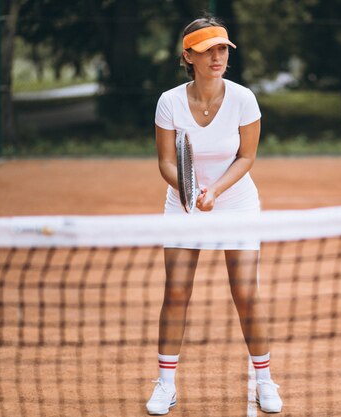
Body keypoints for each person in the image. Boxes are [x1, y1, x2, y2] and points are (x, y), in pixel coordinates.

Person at [146, 16, 283, 415]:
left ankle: (264, 380)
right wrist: (189, 193)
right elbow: (166, 163)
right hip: (183, 203)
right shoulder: (169, 102)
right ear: (188, 56)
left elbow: (247, 156)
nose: (217, 57)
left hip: (236, 202)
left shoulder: (244, 98)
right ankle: (165, 384)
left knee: (246, 293)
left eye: (223, 49)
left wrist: (215, 191)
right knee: (176, 292)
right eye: (208, 51)